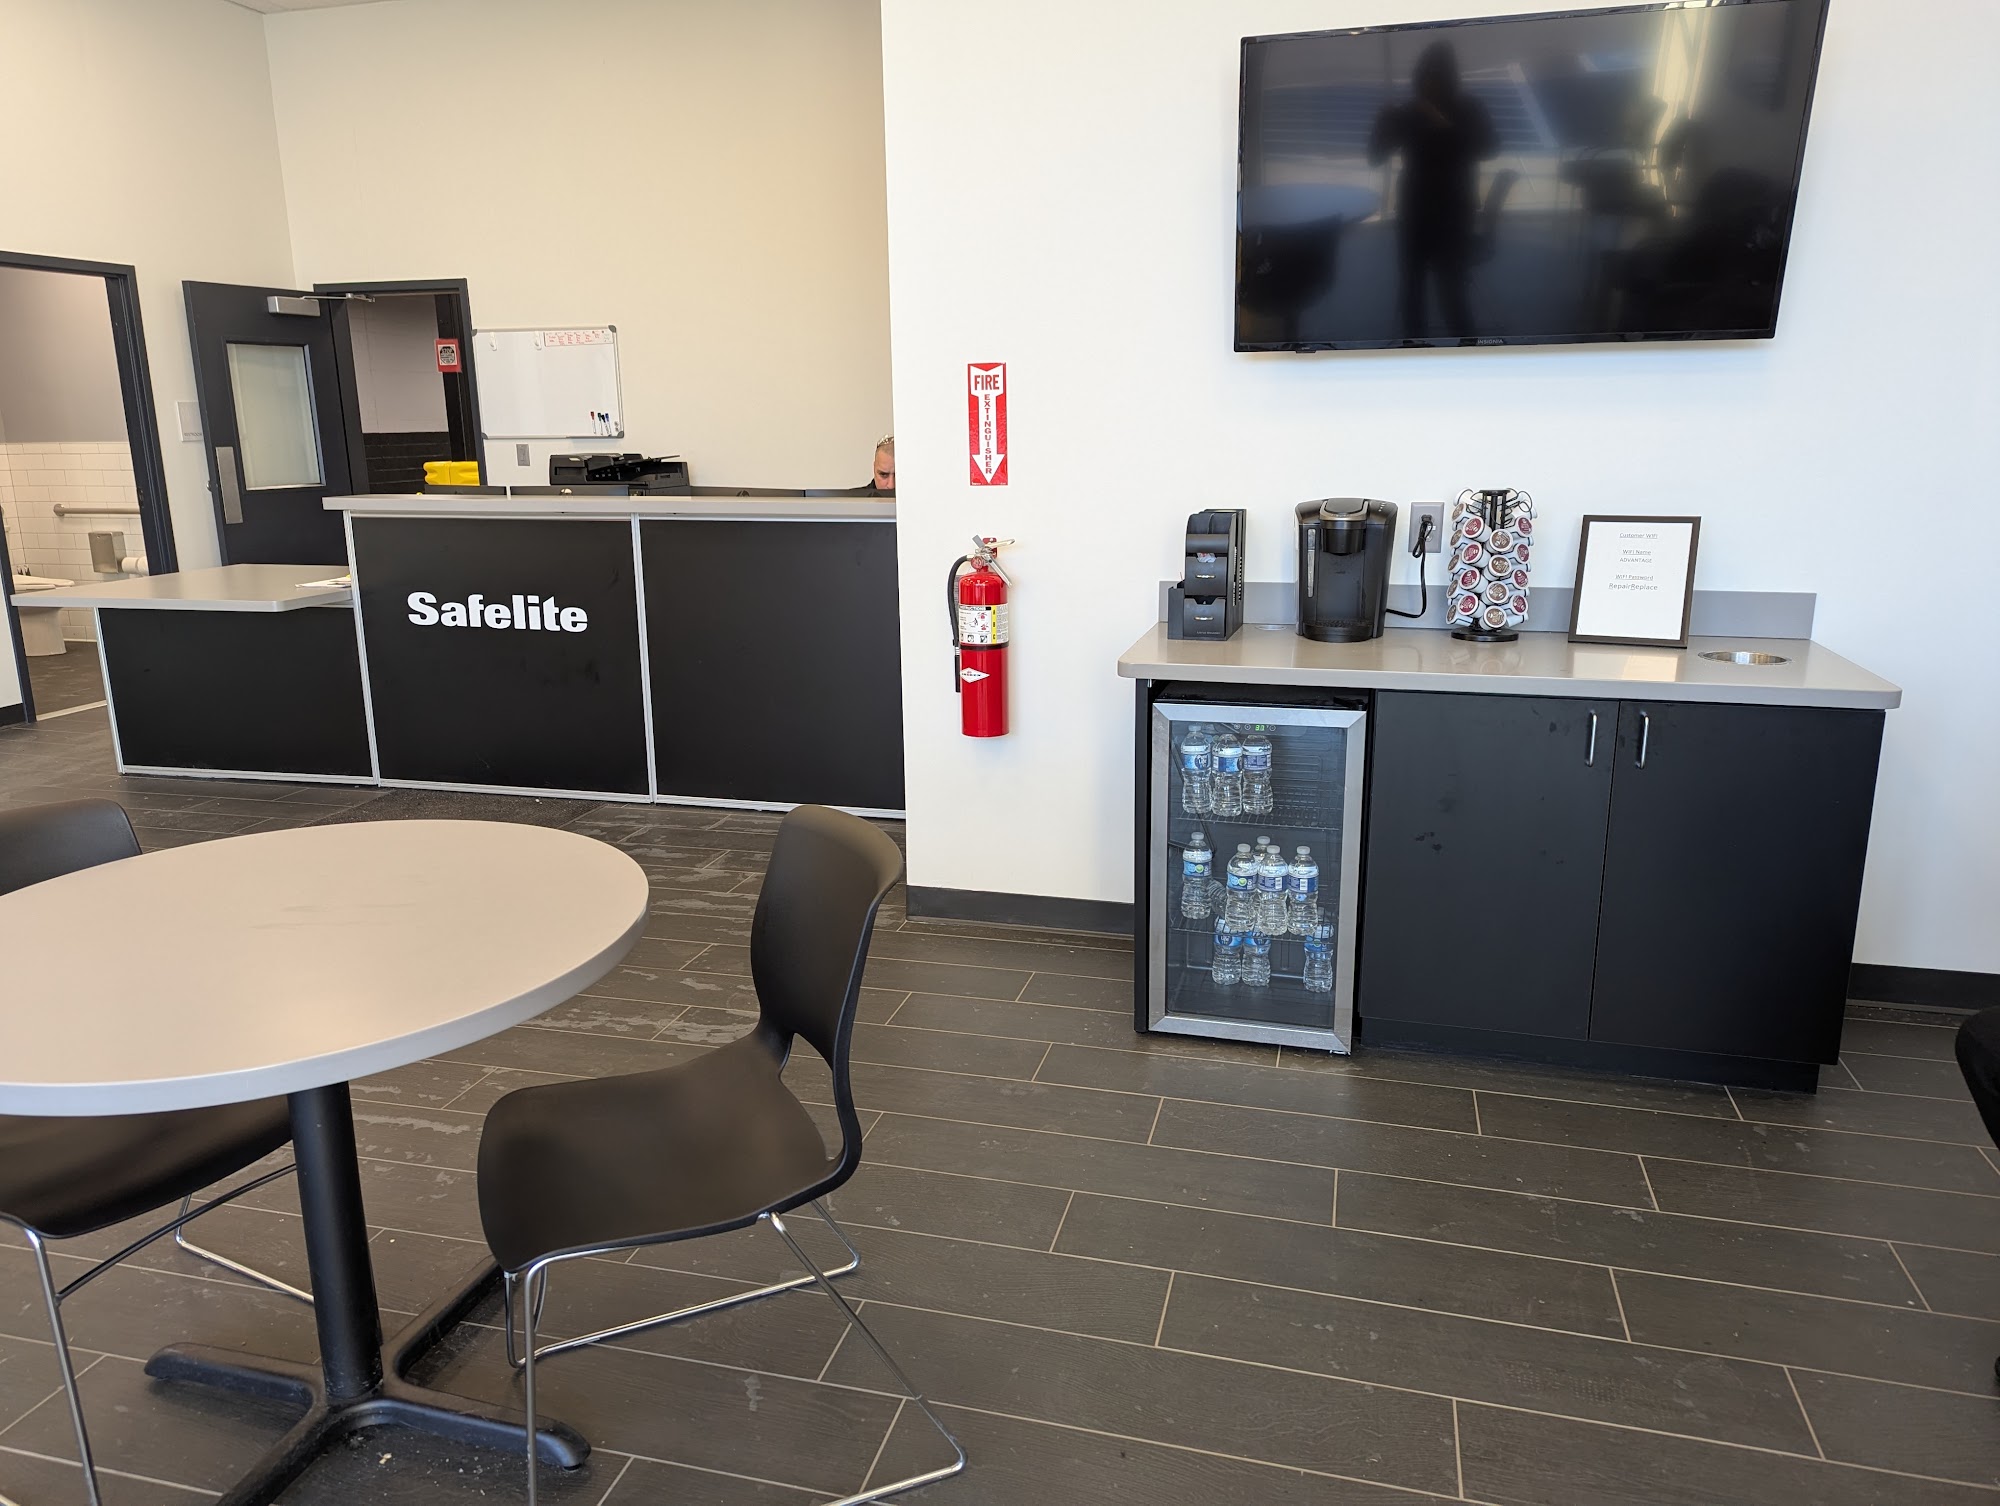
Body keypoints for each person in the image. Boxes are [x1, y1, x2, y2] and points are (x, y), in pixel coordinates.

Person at [1367, 41, 1499, 340]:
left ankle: (1466, 347)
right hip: (1414, 213)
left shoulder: (1469, 108)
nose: (1431, 81)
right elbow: (1375, 157)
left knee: (1451, 293)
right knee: (1412, 289)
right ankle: (1414, 348)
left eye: (1438, 74)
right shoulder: (1408, 112)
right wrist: (1382, 124)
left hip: (1454, 215)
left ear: (1451, 77)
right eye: (1425, 73)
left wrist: (1444, 124)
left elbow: (1489, 148)